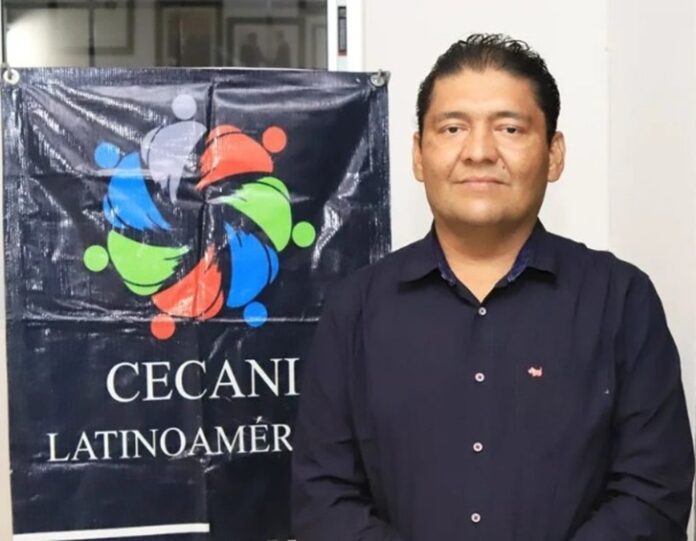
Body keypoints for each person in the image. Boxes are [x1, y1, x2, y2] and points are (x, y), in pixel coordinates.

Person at [291, 34, 695, 540]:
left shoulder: (621, 300)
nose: (479, 152)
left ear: (553, 154)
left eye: (509, 128)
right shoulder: (355, 309)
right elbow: (323, 497)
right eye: (453, 128)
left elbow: (653, 493)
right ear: (419, 155)